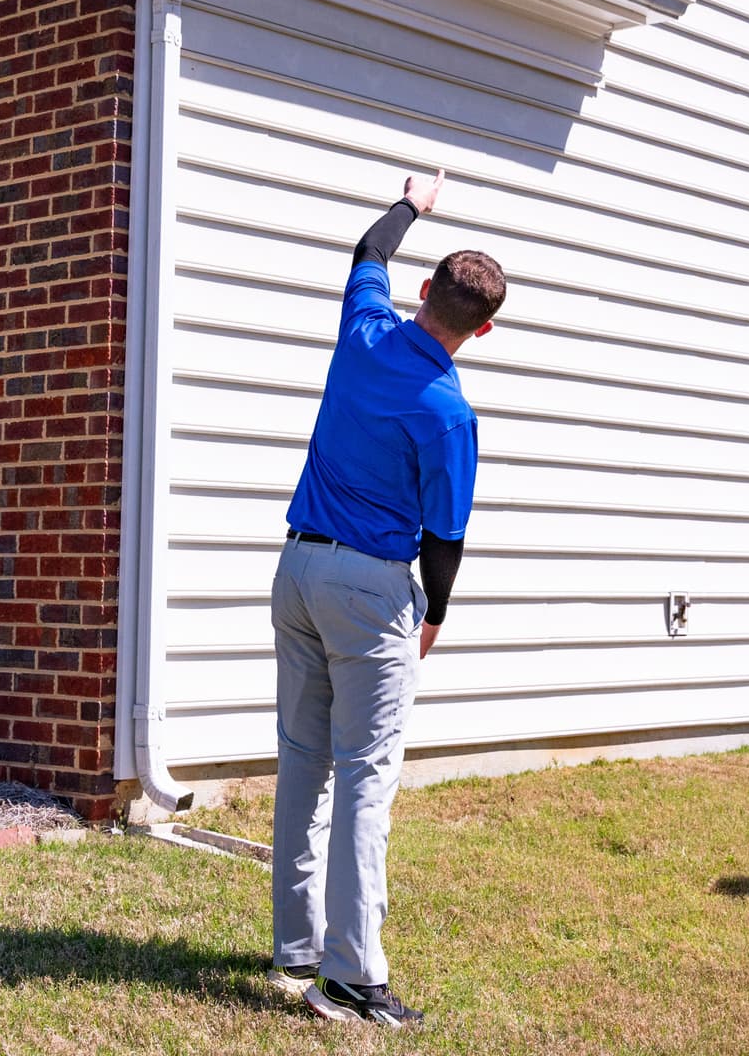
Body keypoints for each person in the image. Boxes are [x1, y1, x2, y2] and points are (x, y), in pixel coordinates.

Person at [263, 169, 505, 1026]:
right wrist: (433, 616)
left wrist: (412, 203)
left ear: (424, 291)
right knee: (366, 777)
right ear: (481, 329)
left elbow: (368, 251)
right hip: (370, 591)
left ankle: (297, 947)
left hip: (296, 571)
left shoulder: (365, 329)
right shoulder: (448, 413)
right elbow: (445, 536)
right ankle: (350, 976)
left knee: (303, 761)